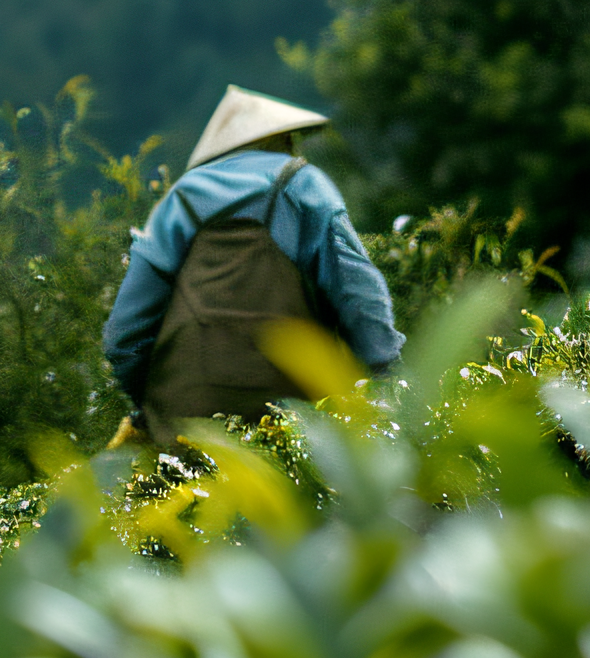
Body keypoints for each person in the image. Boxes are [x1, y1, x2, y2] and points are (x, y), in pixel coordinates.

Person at [104, 85, 403, 444]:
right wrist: (385, 378)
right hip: (290, 417)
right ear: (276, 141)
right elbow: (359, 296)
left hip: (185, 426)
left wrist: (150, 406)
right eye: (290, 140)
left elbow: (124, 337)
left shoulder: (178, 200)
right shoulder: (301, 183)